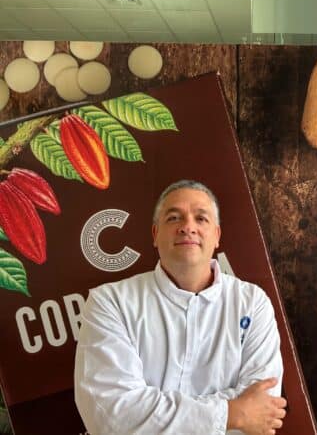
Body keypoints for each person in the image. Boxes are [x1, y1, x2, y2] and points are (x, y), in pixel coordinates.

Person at [74, 180, 286, 435]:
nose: (188, 227)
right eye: (174, 218)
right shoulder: (110, 302)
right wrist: (234, 414)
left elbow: (264, 406)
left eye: (201, 218)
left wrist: (151, 413)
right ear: (155, 235)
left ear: (217, 236)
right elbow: (111, 415)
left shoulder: (253, 303)